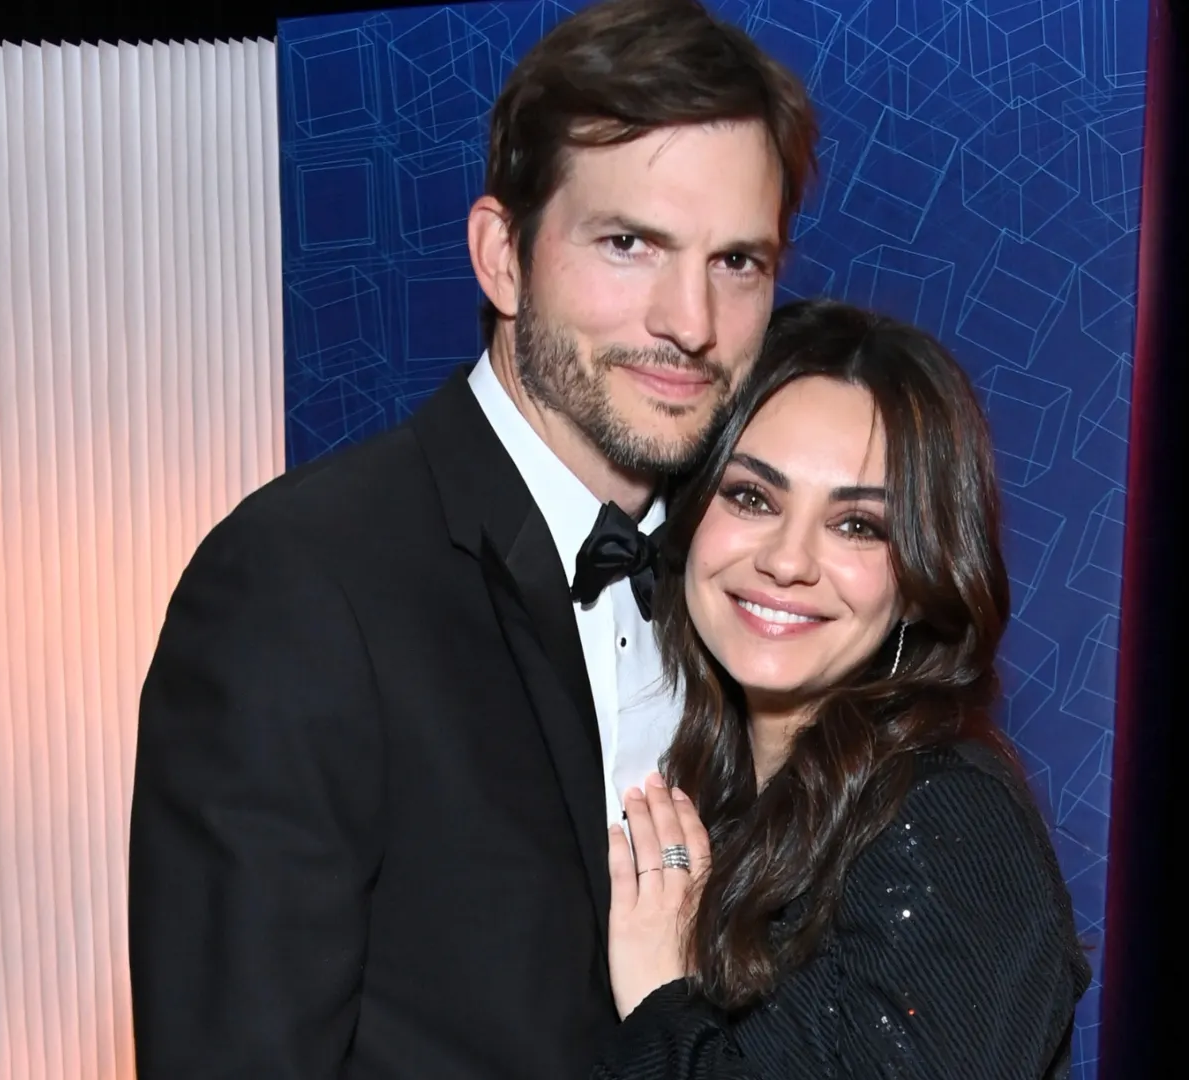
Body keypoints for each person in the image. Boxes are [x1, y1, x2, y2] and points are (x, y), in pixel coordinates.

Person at [125, 0, 816, 1076]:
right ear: (502, 256)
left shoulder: (756, 588)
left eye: (738, 262)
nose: (691, 320)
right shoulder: (301, 585)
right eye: (629, 243)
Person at [593, 299, 1091, 1078]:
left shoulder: (947, 821)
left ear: (925, 578)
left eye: (858, 525)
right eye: (752, 497)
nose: (788, 561)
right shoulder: (705, 794)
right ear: (690, 520)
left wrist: (667, 1000)